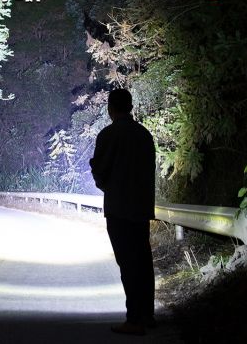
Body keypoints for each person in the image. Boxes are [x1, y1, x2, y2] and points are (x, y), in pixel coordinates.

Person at [89, 88, 156, 336]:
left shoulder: (108, 135)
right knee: (143, 260)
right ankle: (147, 315)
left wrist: (108, 186)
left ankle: (134, 319)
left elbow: (100, 169)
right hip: (141, 206)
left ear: (110, 108)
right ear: (130, 107)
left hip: (119, 207)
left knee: (127, 262)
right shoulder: (144, 134)